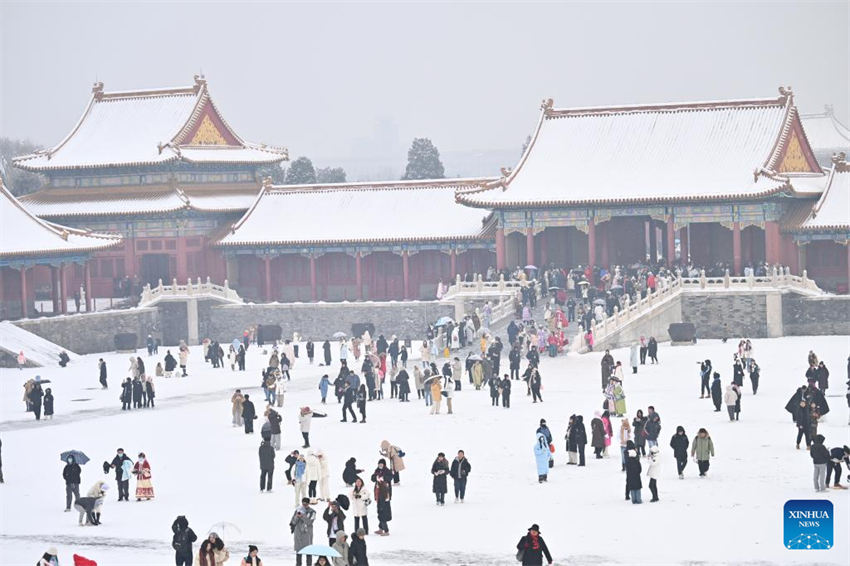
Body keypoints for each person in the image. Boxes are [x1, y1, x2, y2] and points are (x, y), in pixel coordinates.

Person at [291, 498, 316, 566]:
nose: (304, 505)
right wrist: (297, 516)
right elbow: (293, 522)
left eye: (306, 504)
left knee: (308, 552)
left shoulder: (312, 512)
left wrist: (302, 516)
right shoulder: (298, 510)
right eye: (303, 504)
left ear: (308, 504)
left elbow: (310, 522)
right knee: (298, 552)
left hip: (307, 534)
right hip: (298, 534)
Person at [373, 472, 392, 536]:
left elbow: (385, 496)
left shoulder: (384, 485)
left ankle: (386, 531)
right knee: (380, 516)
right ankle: (381, 529)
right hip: (380, 502)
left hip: (383, 504)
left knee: (382, 517)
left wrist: (381, 505)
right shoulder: (378, 484)